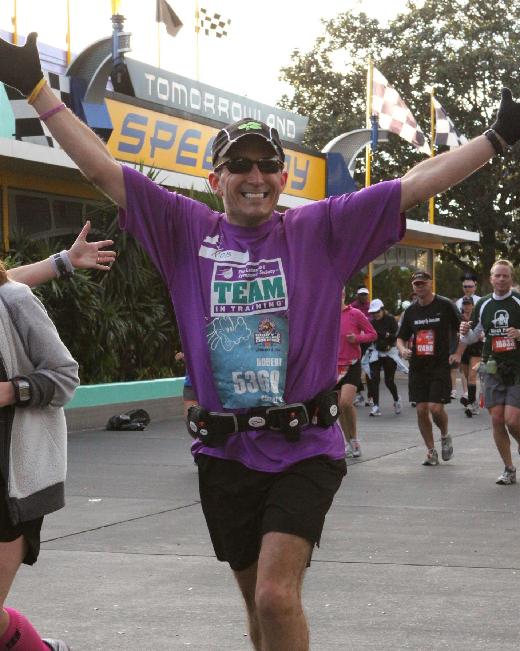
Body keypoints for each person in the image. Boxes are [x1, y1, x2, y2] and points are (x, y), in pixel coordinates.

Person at [2, 33, 519, 650]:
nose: (255, 176)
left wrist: (498, 138)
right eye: (240, 165)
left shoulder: (319, 229)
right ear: (215, 177)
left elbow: (414, 183)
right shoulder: (184, 230)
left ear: (283, 175)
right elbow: (102, 170)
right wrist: (37, 88)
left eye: (267, 165)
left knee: (276, 594)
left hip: (305, 447)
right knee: (256, 603)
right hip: (224, 454)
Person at [0, 224, 114, 651]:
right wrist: (62, 262)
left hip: (11, 485)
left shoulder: (12, 301)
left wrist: (10, 391)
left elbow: (65, 377)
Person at [460, 260, 520, 485]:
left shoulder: (518, 301)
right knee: (497, 419)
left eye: (506, 275)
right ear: (491, 279)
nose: (502, 279)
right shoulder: (483, 303)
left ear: (511, 278)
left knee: (512, 420)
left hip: (517, 369)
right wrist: (463, 331)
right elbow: (472, 337)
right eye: (498, 275)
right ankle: (509, 468)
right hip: (492, 368)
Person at [396, 271, 464, 466]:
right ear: (413, 287)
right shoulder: (410, 311)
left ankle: (445, 435)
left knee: (435, 408)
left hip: (440, 365)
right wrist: (402, 350)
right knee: (421, 409)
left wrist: (458, 352)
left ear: (430, 283)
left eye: (423, 283)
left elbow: (463, 329)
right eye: (416, 284)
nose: (419, 287)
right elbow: (400, 337)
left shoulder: (445, 305)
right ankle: (431, 451)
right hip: (418, 366)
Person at [336, 290, 376, 457]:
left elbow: (373, 334)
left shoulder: (355, 313)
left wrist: (357, 339)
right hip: (333, 367)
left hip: (352, 364)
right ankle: (348, 441)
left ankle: (354, 440)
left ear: (343, 295)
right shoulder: (326, 315)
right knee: (339, 407)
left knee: (345, 403)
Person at [365, 299, 403, 417]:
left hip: (390, 353)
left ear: (382, 309)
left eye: (377, 311)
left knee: (389, 381)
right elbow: (370, 337)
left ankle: (396, 400)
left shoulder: (391, 320)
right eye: (373, 312)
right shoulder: (372, 322)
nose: (375, 314)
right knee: (374, 379)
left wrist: (386, 337)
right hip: (376, 352)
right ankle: (376, 406)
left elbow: (396, 337)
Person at [459, 295, 483, 417]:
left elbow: (483, 330)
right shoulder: (460, 317)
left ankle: (472, 403)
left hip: (476, 348)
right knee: (467, 375)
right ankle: (472, 399)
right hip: (464, 349)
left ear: (472, 305)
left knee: (472, 376)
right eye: (465, 304)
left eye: (469, 304)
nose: (467, 306)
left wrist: (481, 335)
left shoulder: (477, 317)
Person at [349, 287, 372, 406]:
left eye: (365, 294)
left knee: (369, 369)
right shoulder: (352, 306)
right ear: (357, 295)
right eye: (361, 294)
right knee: (355, 368)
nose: (364, 296)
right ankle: (359, 394)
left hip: (369, 342)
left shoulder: (371, 306)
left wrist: (365, 320)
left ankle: (371, 396)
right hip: (357, 342)